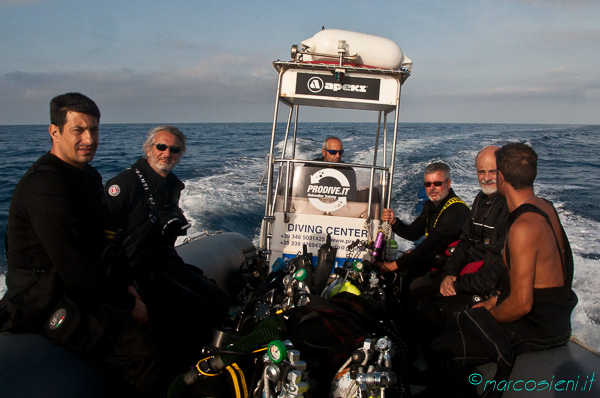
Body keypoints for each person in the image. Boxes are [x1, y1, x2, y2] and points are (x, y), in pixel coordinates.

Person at [0, 93, 164, 394]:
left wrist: (128, 285)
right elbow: (74, 270)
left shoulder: (88, 176)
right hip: (42, 298)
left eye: (94, 129)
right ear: (55, 131)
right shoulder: (45, 187)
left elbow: (109, 241)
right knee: (141, 350)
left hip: (80, 285)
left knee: (164, 307)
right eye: (79, 130)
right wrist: (128, 305)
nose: (89, 139)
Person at [431, 143, 578, 397]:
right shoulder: (545, 207)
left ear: (501, 177)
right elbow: (566, 269)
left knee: (441, 350)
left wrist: (489, 314)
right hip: (558, 318)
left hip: (539, 327)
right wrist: (495, 299)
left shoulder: (522, 226)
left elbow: (521, 304)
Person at [104, 125, 231, 367]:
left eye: (174, 149)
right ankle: (186, 367)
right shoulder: (124, 184)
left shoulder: (172, 186)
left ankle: (212, 358)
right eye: (161, 147)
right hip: (135, 267)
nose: (167, 153)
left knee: (220, 298)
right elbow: (105, 239)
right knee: (192, 306)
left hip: (164, 261)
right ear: (148, 149)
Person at [379, 162, 470, 288]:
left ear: (448, 184)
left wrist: (393, 265)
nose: (432, 188)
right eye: (428, 184)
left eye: (437, 183)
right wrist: (394, 222)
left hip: (450, 271)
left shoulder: (456, 211)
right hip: (434, 262)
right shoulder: (432, 206)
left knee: (414, 289)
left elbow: (429, 247)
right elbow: (413, 233)